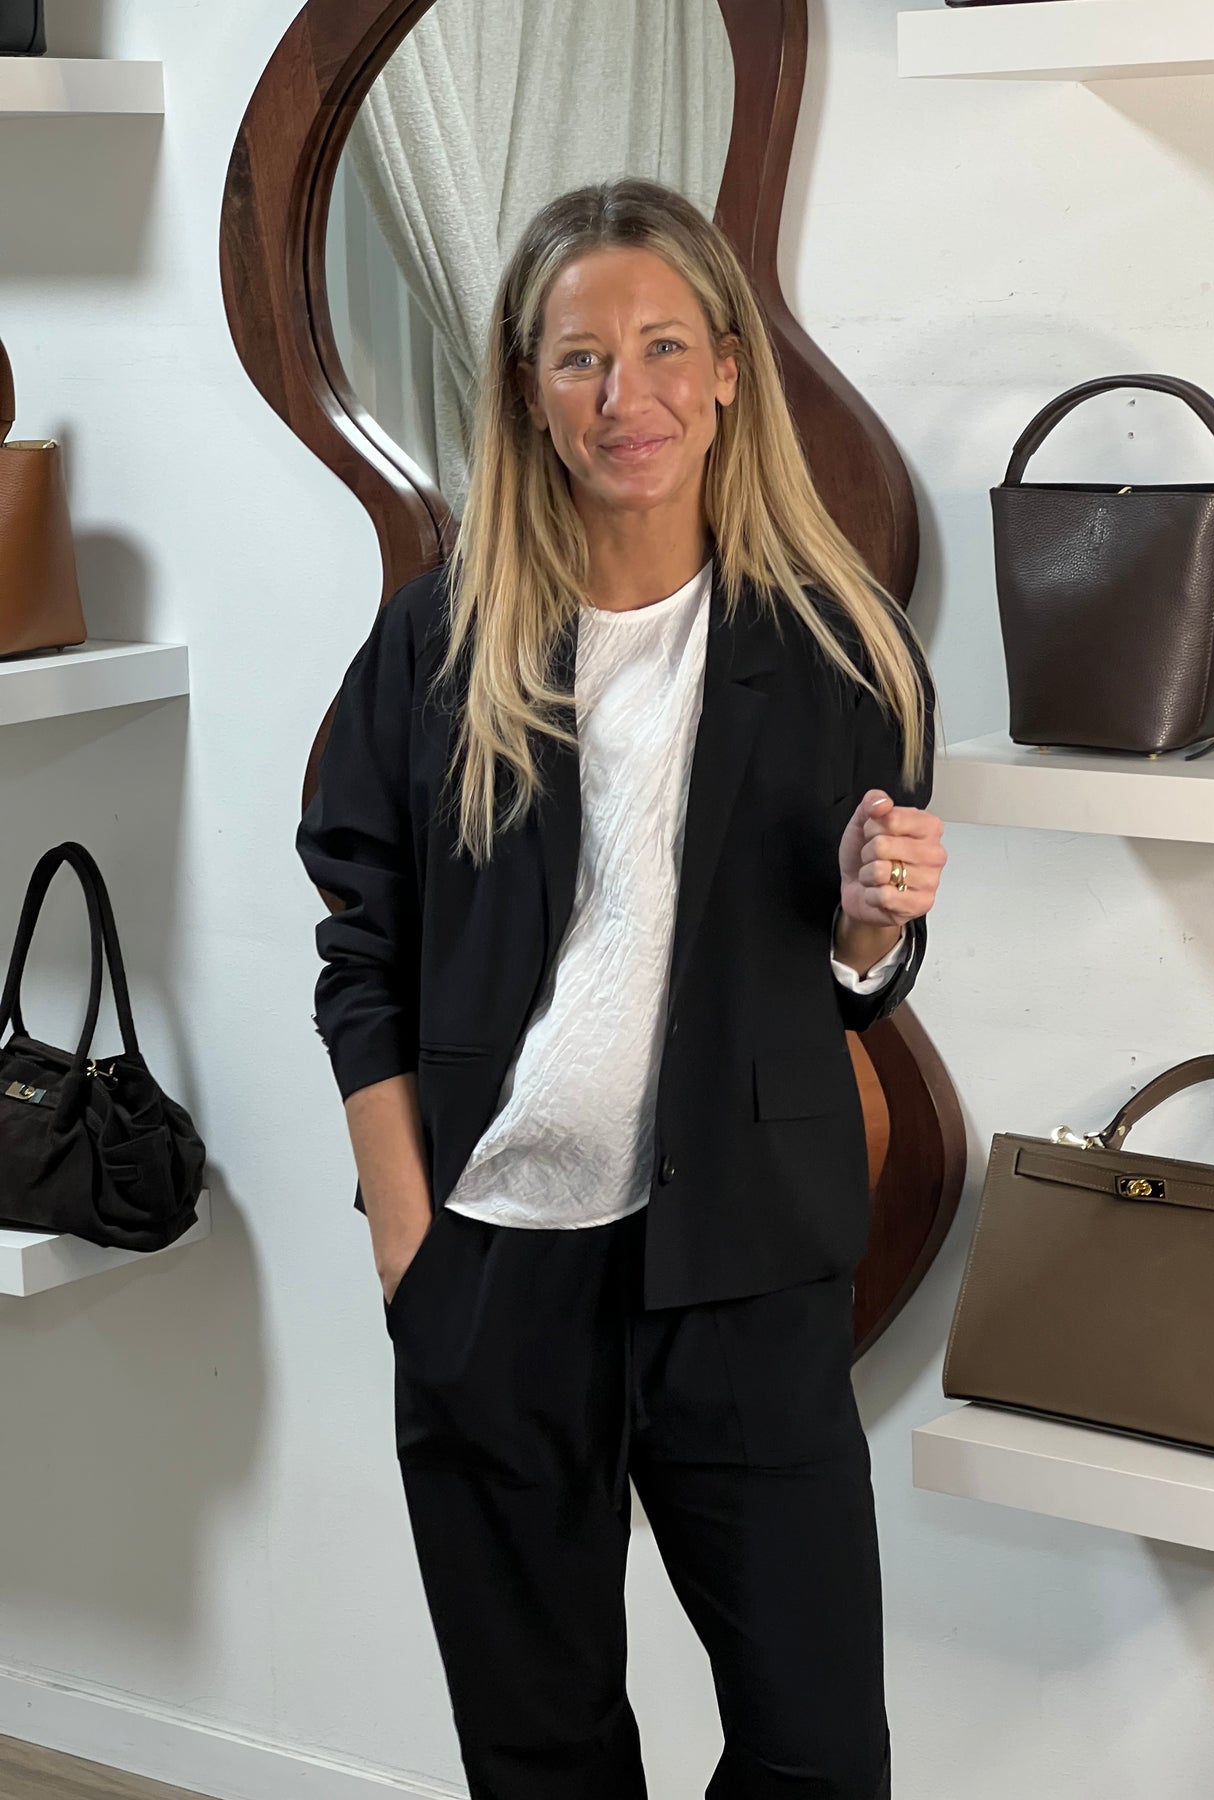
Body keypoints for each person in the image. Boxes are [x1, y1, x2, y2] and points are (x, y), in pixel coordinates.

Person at [296, 176, 946, 1800]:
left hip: (744, 1267)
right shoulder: (440, 644)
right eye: (579, 357)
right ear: (527, 388)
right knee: (542, 1755)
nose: (623, 394)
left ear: (725, 369)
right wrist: (408, 1240)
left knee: (818, 1753)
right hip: (493, 1266)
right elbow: (358, 941)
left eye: (661, 347)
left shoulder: (842, 651)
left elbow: (853, 977)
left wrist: (870, 922)